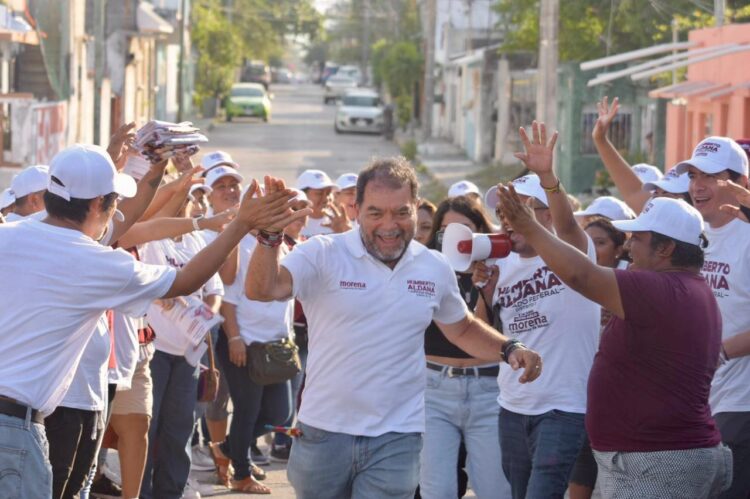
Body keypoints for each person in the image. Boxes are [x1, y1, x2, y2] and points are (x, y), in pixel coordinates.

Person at [0, 144, 307, 498]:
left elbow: (125, 224)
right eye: (114, 200)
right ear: (101, 203)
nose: (117, 210)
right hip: (15, 430)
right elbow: (185, 281)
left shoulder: (10, 234)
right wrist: (240, 225)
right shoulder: (96, 263)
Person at [245, 158, 542, 499]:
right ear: (355, 209)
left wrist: (510, 348)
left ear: (416, 207)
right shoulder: (323, 253)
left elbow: (461, 329)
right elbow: (263, 289)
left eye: (401, 212)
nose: (389, 225)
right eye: (376, 213)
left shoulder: (433, 266)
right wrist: (269, 237)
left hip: (398, 436)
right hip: (325, 432)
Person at [496, 184, 732, 499]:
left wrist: (529, 227)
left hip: (657, 463)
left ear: (666, 249)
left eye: (638, 238)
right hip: (661, 459)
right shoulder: (688, 288)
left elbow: (582, 275)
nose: (629, 246)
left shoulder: (661, 287)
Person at [475, 122, 600, 499]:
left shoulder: (573, 251)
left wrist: (547, 176)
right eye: (505, 210)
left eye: (523, 209)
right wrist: (484, 292)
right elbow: (478, 335)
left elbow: (566, 224)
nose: (509, 218)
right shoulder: (502, 267)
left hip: (563, 406)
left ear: (545, 216)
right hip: (511, 405)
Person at [419, 195, 512, 499]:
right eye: (445, 230)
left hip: (487, 388)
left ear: (481, 231)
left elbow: (476, 333)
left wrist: (486, 289)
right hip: (433, 388)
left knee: (495, 489)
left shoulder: (498, 268)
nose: (454, 238)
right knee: (438, 489)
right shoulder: (424, 267)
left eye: (465, 229)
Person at [673, 136, 750, 498]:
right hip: (697, 399)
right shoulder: (692, 235)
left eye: (710, 176)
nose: (697, 186)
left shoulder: (748, 236)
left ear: (740, 184)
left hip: (741, 403)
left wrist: (717, 353)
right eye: (693, 175)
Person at [139, 191, 224, 499]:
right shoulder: (152, 240)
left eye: (187, 200)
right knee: (148, 427)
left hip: (188, 352)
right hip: (154, 351)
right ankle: (142, 491)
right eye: (177, 200)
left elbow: (215, 289)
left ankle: (171, 491)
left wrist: (207, 315)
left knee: (179, 429)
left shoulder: (197, 242)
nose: (183, 205)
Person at [568, 217, 629, 499]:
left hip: (621, 406)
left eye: (601, 243)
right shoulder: (570, 280)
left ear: (619, 249)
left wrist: (619, 311)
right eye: (587, 242)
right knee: (580, 473)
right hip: (580, 398)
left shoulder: (633, 284)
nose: (592, 249)